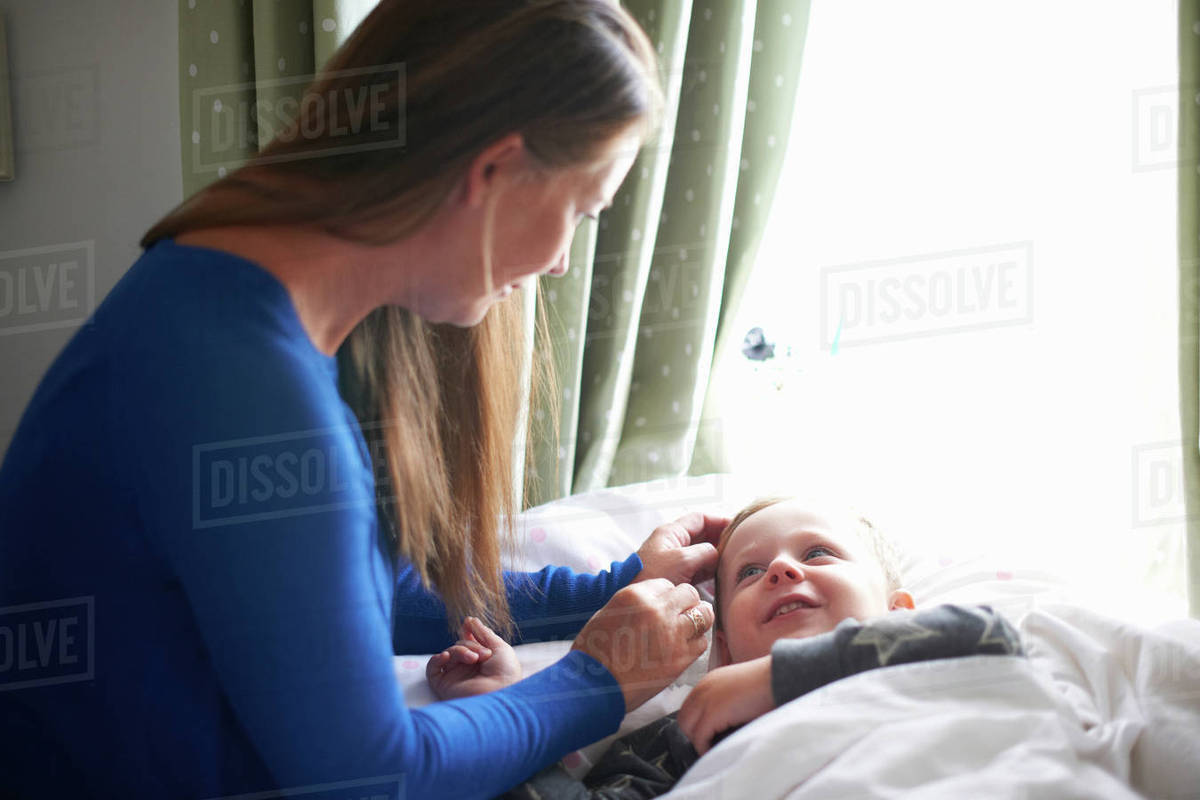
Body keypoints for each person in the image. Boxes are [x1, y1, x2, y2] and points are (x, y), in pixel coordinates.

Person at [0, 3, 723, 798]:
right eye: (580, 213)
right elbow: (375, 776)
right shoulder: (251, 393)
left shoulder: (220, 278)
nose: (559, 265)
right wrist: (598, 682)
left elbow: (333, 591)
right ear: (494, 173)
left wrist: (603, 589)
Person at [436, 497, 1025, 799]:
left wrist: (780, 677)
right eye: (750, 572)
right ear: (722, 648)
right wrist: (515, 704)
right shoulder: (688, 734)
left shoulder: (929, 660)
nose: (783, 570)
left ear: (898, 612)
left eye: (817, 554)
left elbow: (997, 640)